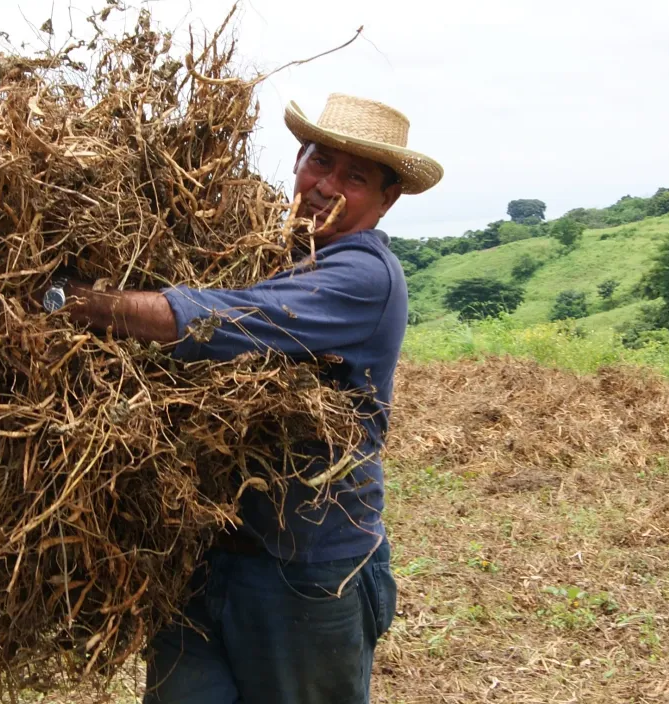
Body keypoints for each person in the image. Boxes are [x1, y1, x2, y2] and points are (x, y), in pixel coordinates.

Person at [43, 93, 443, 703]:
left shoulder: (363, 277)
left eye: (354, 177)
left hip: (308, 572)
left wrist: (73, 300)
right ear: (297, 161)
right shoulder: (267, 252)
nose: (325, 185)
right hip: (204, 553)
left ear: (387, 200)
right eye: (318, 161)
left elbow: (219, 319)